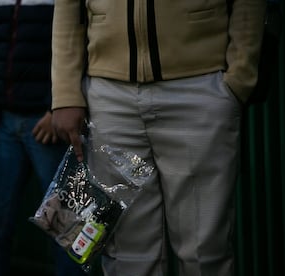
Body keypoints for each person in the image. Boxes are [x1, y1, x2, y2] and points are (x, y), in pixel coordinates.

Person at [51, 0, 266, 275]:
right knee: (127, 254)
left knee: (203, 250)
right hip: (109, 95)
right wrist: (65, 92)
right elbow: (68, 5)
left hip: (198, 87)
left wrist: (239, 78)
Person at [0, 1, 86, 275]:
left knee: (66, 231)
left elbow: (77, 44)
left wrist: (55, 105)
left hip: (50, 125)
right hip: (5, 124)